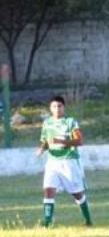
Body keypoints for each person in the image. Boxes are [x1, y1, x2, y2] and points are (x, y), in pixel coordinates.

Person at [35, 95, 92, 227]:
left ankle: (88, 220)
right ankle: (48, 222)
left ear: (64, 107)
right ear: (50, 108)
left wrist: (62, 141)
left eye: (59, 106)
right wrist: (41, 149)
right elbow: (45, 141)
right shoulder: (47, 123)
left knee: (77, 194)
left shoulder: (70, 122)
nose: (57, 109)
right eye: (54, 106)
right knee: (48, 190)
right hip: (52, 161)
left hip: (69, 161)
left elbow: (79, 141)